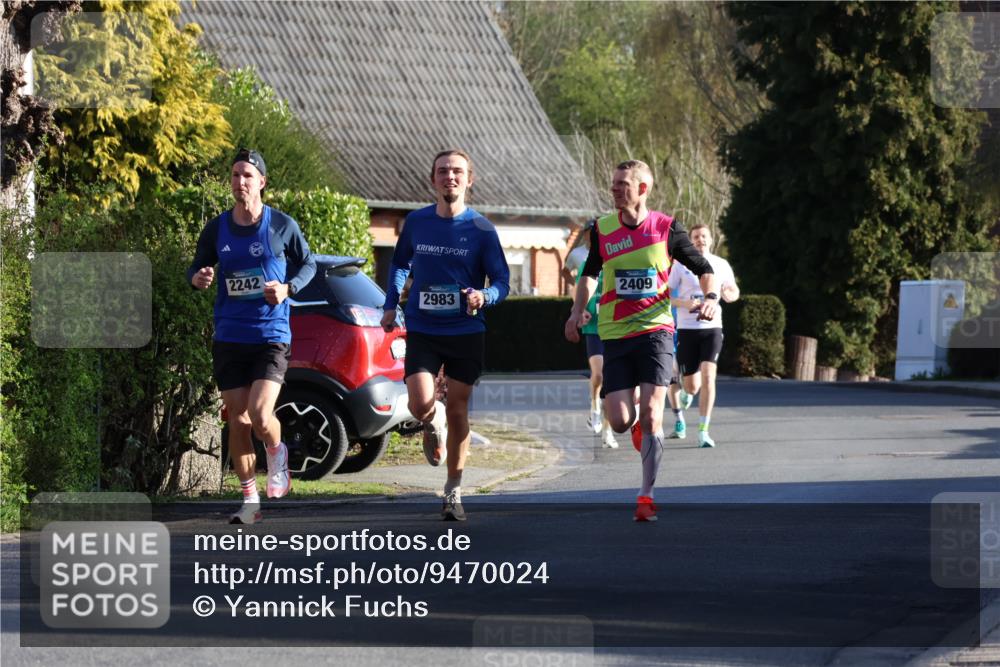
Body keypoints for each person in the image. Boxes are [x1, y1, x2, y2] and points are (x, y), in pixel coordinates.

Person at [564, 160, 718, 522]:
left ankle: (646, 495)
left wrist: (710, 298)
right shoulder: (602, 229)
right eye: (614, 183)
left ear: (642, 189)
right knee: (619, 420)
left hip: (656, 331)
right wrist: (576, 311)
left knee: (652, 414)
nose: (615, 189)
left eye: (623, 184)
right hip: (615, 333)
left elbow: (704, 268)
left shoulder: (666, 228)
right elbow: (589, 274)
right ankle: (635, 423)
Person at [187, 148, 316, 525]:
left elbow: (308, 264)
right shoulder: (217, 228)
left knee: (260, 414)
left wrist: (288, 288)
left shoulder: (281, 225)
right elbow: (197, 266)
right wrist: (198, 277)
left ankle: (276, 450)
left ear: (262, 182)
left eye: (247, 175)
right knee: (238, 421)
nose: (240, 182)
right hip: (230, 334)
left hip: (270, 334)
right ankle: (249, 501)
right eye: (235, 175)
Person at [381, 149, 510, 521]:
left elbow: (502, 280)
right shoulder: (417, 222)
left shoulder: (482, 229)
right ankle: (431, 419)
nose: (449, 177)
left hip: (466, 330)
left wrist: (485, 296)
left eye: (457, 171)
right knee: (420, 403)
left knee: (458, 408)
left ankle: (453, 490)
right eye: (442, 171)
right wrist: (390, 304)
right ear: (432, 179)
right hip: (423, 326)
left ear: (469, 179)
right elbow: (400, 263)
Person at [666, 224, 740, 448]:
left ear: (711, 239)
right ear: (691, 241)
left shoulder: (721, 264)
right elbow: (665, 295)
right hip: (687, 329)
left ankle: (703, 431)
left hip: (712, 327)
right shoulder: (680, 265)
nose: (700, 240)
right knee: (692, 387)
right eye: (696, 237)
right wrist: (684, 303)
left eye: (704, 236)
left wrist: (730, 294)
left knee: (709, 376)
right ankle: (686, 391)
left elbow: (733, 290)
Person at [567, 220, 617, 449]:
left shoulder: (618, 261)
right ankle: (595, 406)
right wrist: (581, 311)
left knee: (611, 379)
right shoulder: (588, 264)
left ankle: (608, 430)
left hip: (615, 328)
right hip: (594, 327)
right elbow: (578, 291)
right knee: (599, 374)